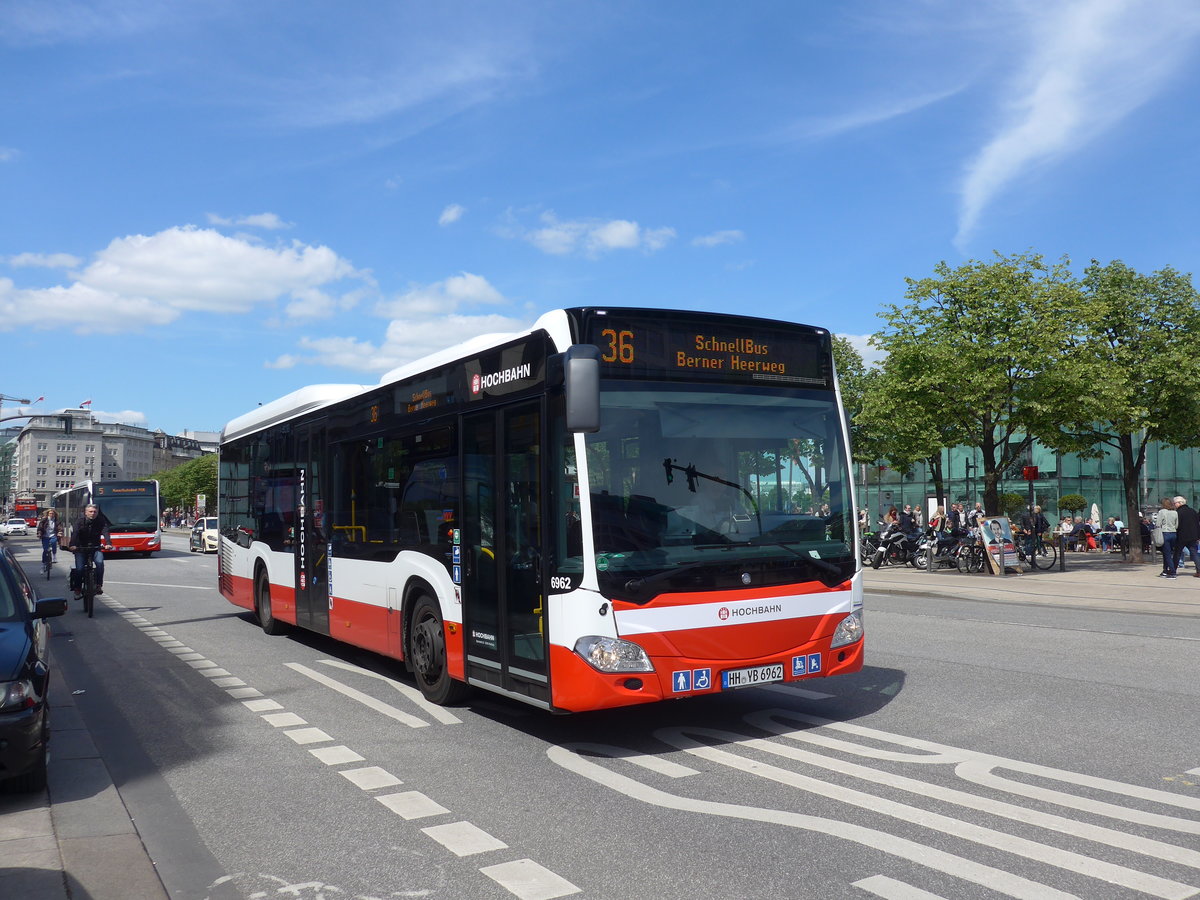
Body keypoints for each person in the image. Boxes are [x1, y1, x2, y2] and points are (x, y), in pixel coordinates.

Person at [68, 504, 113, 597]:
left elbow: (105, 532)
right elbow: (75, 533)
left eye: (95, 512)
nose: (93, 513)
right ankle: (77, 588)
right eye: (90, 511)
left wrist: (108, 543)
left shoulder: (101, 520)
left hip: (95, 547)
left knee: (99, 563)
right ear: (86, 512)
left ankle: (98, 585)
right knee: (80, 569)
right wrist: (72, 545)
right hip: (81, 548)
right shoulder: (80, 521)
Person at [1171, 495, 1199, 578]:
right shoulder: (1193, 511)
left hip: (1181, 536)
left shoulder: (1178, 512)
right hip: (1193, 536)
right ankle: (1199, 570)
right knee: (1194, 553)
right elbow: (1197, 524)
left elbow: (1176, 525)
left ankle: (1173, 570)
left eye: (1175, 503)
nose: (1174, 505)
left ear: (1179, 503)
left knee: (1177, 554)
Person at [1153, 497, 1178, 578]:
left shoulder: (1162, 512)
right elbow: (1177, 524)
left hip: (1165, 532)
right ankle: (1165, 570)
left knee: (1166, 554)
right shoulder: (1175, 512)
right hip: (1173, 533)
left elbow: (1158, 523)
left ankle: (1172, 572)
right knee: (1169, 553)